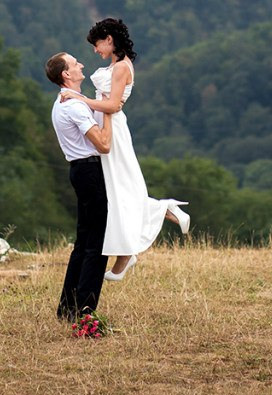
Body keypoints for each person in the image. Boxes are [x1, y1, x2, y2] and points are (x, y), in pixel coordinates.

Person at [61, 18, 189, 281]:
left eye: (97, 44)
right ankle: (128, 250)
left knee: (120, 189)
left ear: (109, 39)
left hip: (113, 130)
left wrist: (80, 99)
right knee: (115, 191)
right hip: (105, 124)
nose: (95, 51)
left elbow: (113, 105)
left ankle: (160, 213)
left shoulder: (121, 68)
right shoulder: (115, 66)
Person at [46, 50, 114, 322]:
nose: (81, 65)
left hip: (80, 170)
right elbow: (104, 144)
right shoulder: (73, 106)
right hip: (90, 171)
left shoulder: (65, 102)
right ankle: (85, 311)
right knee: (97, 244)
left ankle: (67, 308)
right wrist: (108, 109)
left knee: (84, 242)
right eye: (75, 63)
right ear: (66, 74)